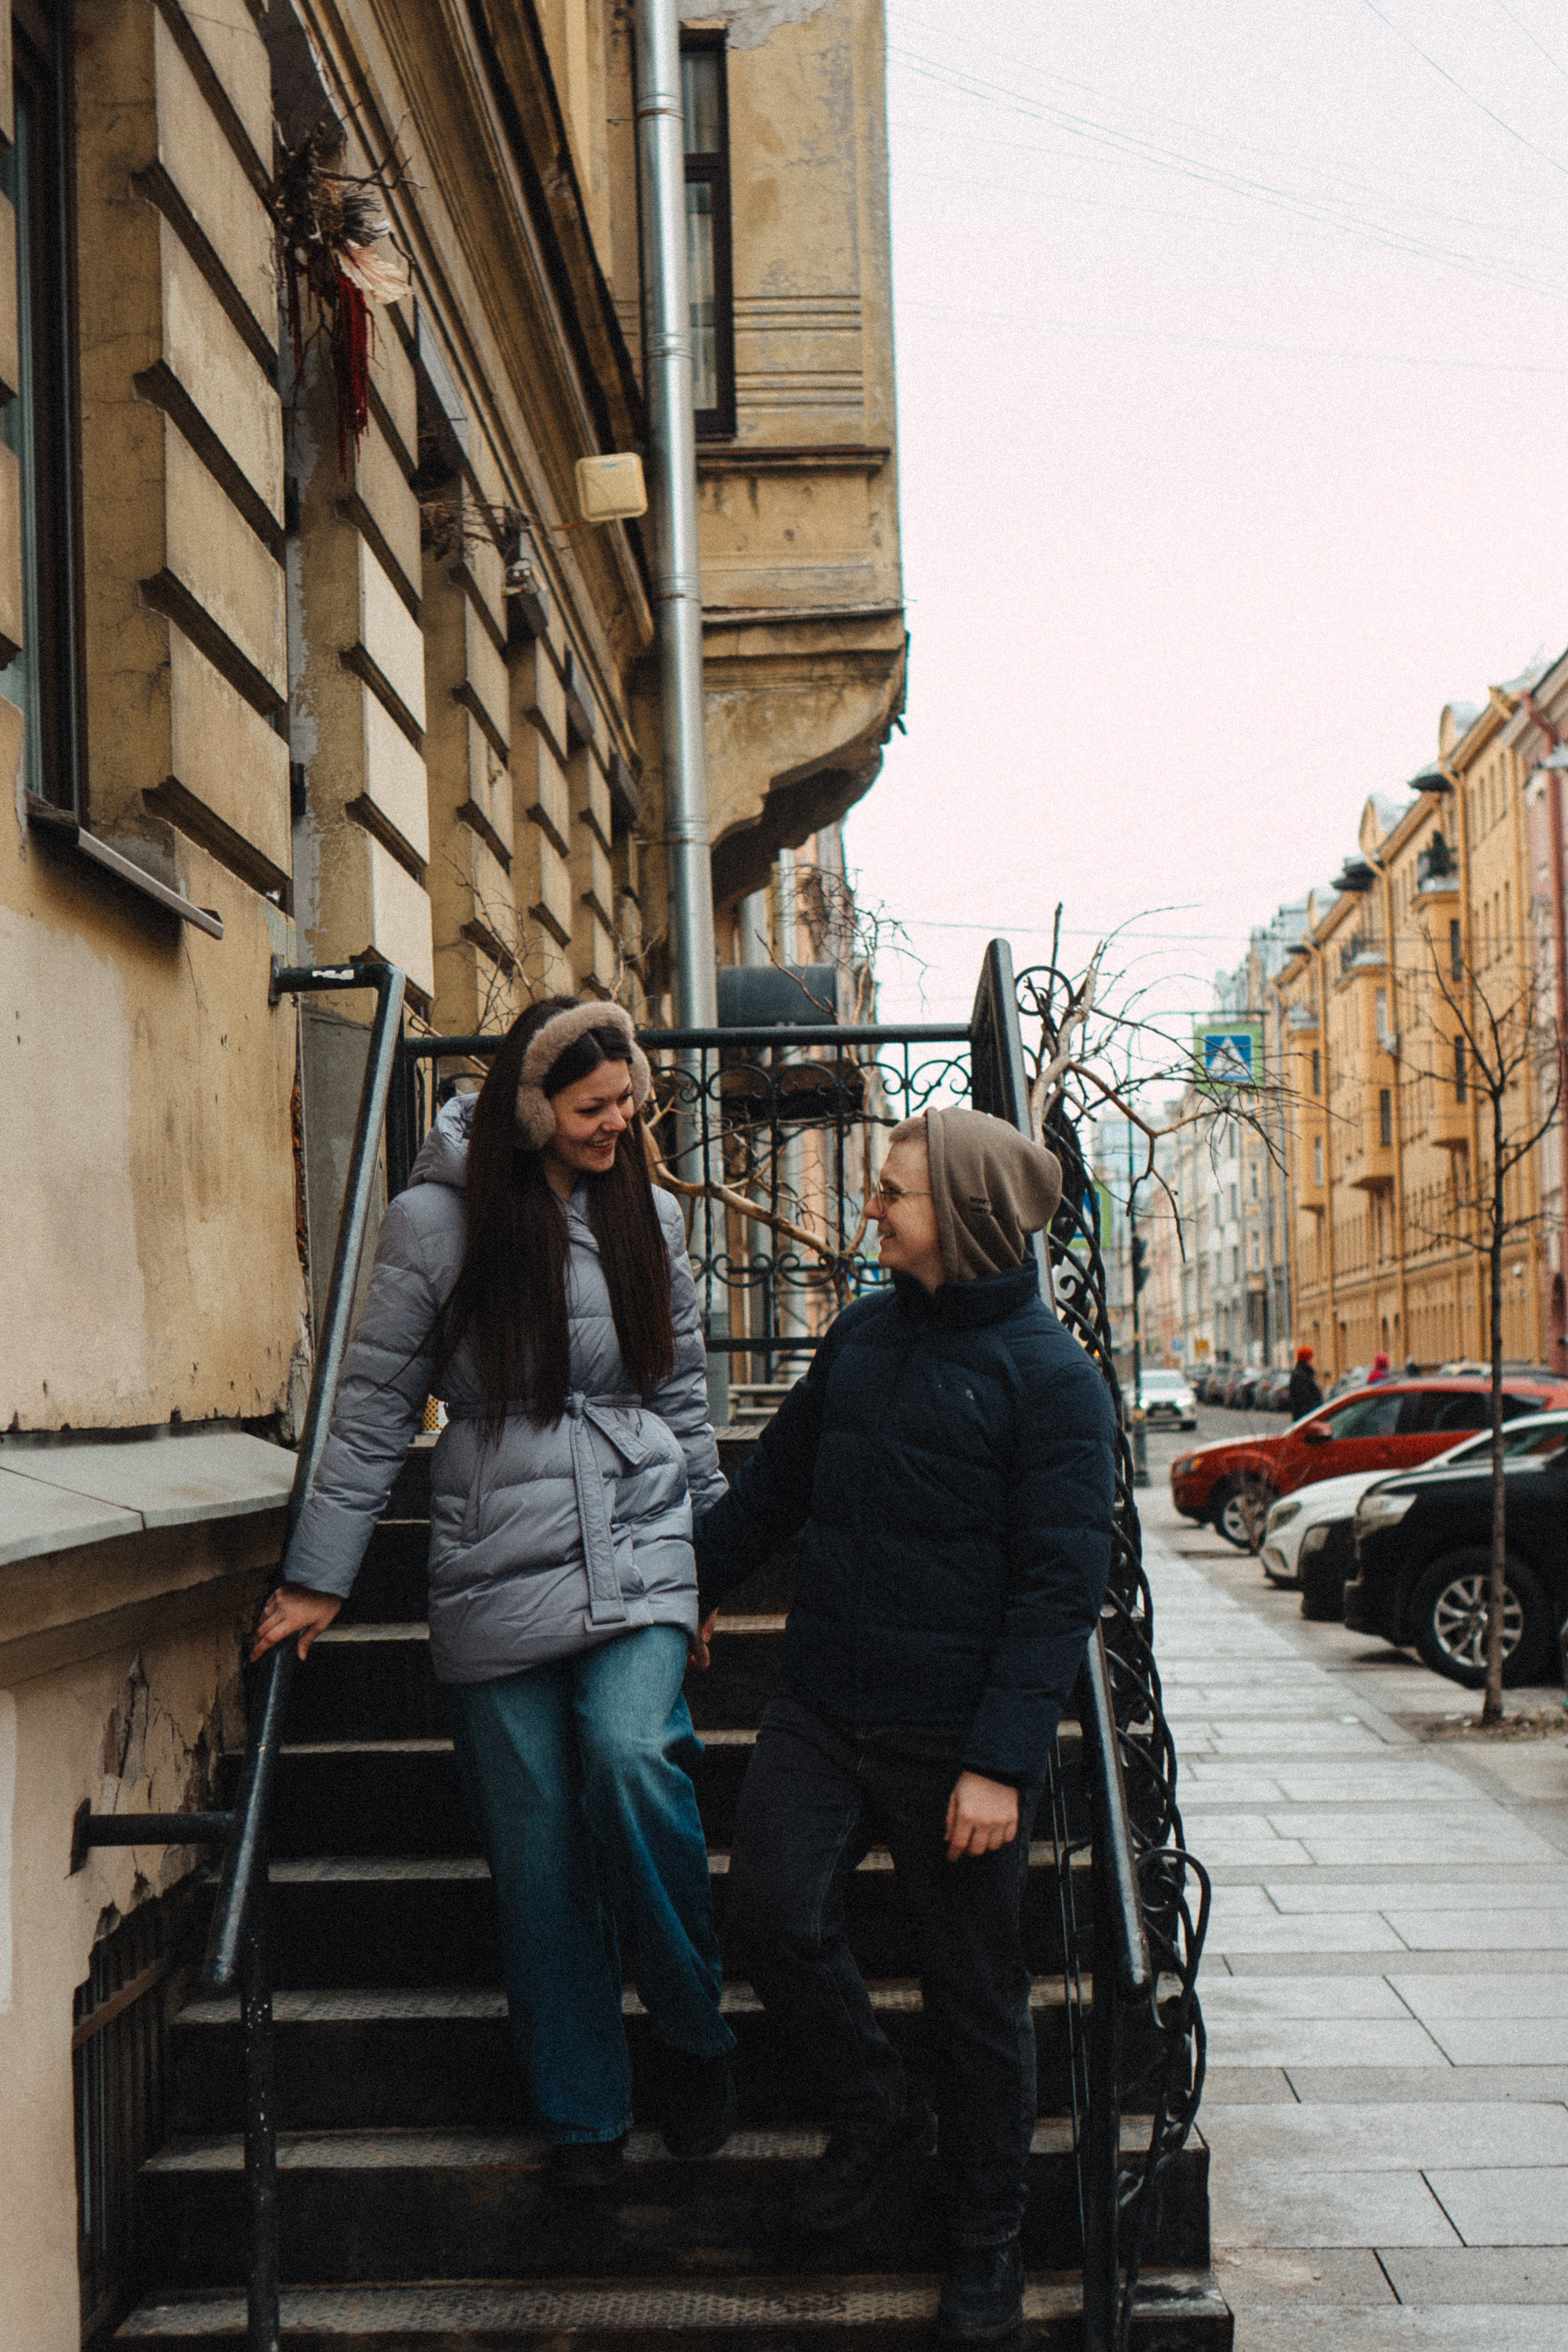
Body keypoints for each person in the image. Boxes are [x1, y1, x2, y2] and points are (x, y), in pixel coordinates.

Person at [249, 998, 734, 2187]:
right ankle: (582, 2112)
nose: (618, 1125)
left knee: (629, 1761)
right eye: (591, 1109)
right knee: (533, 1850)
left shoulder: (650, 1215)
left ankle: (692, 2029)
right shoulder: (433, 1221)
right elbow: (370, 1406)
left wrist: (711, 1559)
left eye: (627, 1103)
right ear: (528, 1112)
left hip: (636, 1528)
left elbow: (681, 1401)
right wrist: (319, 1577)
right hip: (487, 1541)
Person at [694, 1107, 1117, 2345]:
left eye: (892, 1194)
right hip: (826, 1704)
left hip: (954, 1740)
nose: (870, 1210)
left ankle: (984, 2241)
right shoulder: (865, 1335)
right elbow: (771, 1485)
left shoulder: (1052, 1382)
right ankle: (875, 2107)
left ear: (966, 1220)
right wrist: (690, 1586)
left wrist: (996, 1763)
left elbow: (1057, 1590)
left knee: (975, 1995)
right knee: (771, 1912)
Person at [1287, 1346, 1322, 1419]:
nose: (1313, 1360)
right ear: (1307, 1359)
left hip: (1307, 1415)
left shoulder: (1304, 1373)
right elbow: (1303, 1399)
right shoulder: (1302, 1375)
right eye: (1312, 1357)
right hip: (1307, 1416)